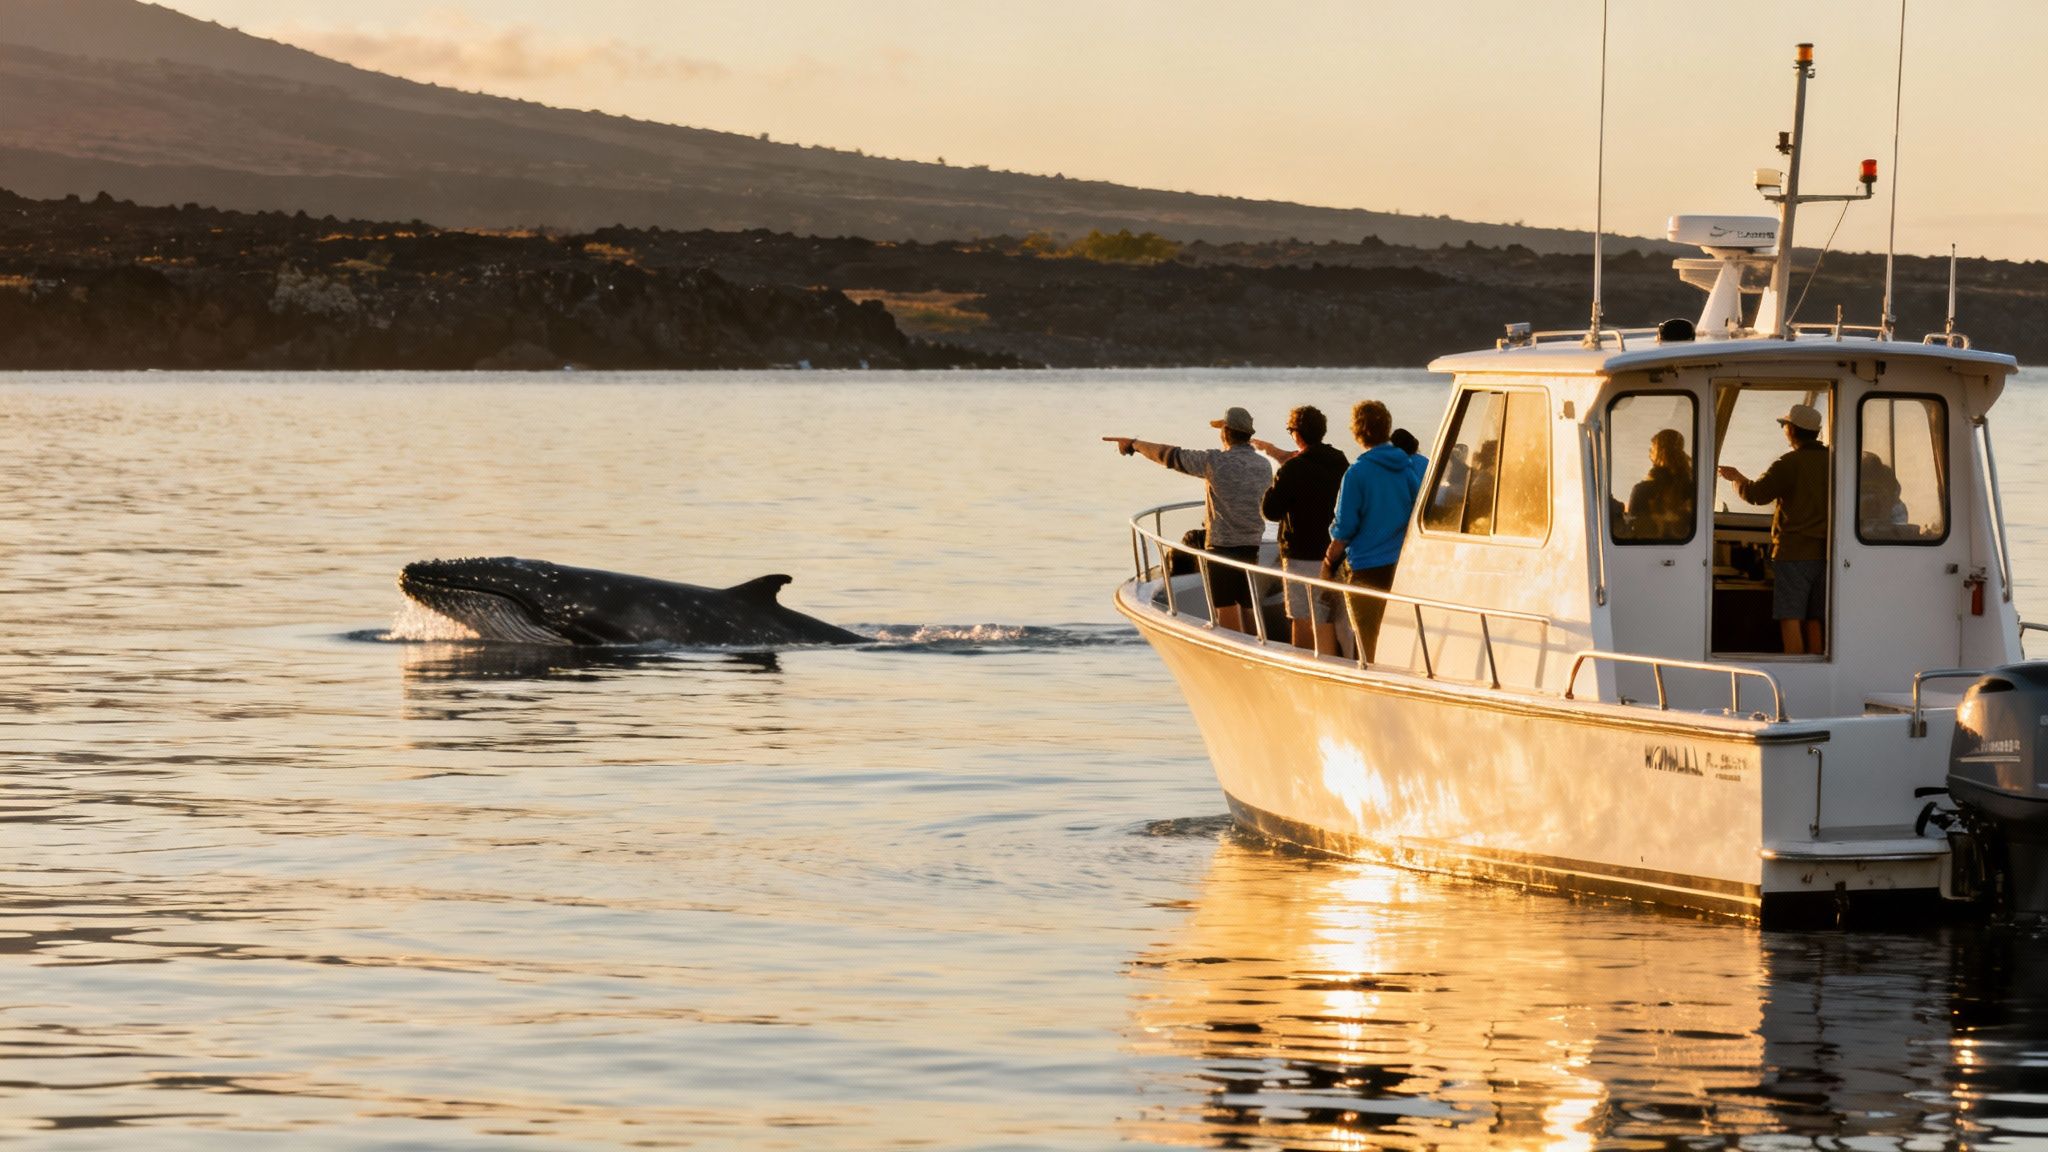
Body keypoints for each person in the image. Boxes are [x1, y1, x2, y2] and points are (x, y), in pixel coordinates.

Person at [1106, 407, 1273, 634]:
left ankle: (1235, 653)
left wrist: (1134, 444)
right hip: (1251, 545)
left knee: (1225, 609)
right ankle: (1258, 648)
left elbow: (1169, 455)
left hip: (1221, 548)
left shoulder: (1215, 462)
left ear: (1226, 432)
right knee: (1247, 605)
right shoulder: (1263, 465)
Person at [1717, 403, 1830, 655]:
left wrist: (1737, 478)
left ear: (1792, 430)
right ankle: (1816, 672)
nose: (1783, 429)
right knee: (1815, 618)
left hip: (1793, 554)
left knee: (1790, 616)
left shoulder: (1789, 463)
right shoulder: (1835, 462)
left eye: (1784, 425)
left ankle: (1796, 672)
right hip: (1827, 554)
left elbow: (1757, 495)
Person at [1323, 400, 1422, 663]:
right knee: (1399, 641)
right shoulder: (1405, 467)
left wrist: (1328, 563)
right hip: (1400, 569)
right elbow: (1417, 510)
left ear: (1357, 432)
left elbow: (1344, 528)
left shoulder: (1357, 474)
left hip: (1367, 570)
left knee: (1368, 644)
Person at [1258, 405, 1348, 653]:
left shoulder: (1292, 469)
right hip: (1333, 554)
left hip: (1300, 555)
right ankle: (1329, 663)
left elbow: (1271, 511)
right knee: (1325, 617)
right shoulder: (1339, 461)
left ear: (1297, 433)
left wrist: (1273, 480)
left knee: (1301, 616)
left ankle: (1302, 661)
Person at [1622, 428, 1695, 541]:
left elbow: (1633, 530)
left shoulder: (1642, 490)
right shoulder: (1692, 489)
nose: (1649, 451)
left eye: (1652, 448)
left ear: (1659, 453)